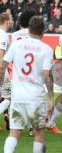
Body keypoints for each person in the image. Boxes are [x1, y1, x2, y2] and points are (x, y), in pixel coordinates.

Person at [1, 16, 54, 153]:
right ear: (43, 31)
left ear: (29, 30)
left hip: (18, 96)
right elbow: (47, 76)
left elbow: (3, 65)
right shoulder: (47, 49)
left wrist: (1, 81)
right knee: (38, 133)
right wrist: (52, 98)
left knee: (14, 133)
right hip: (36, 98)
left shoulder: (17, 44)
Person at [0, 12, 13, 131]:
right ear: (7, 21)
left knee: (3, 96)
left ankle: (7, 116)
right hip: (1, 70)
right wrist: (2, 72)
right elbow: (1, 55)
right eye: (11, 19)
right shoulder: (3, 35)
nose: (13, 21)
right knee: (11, 97)